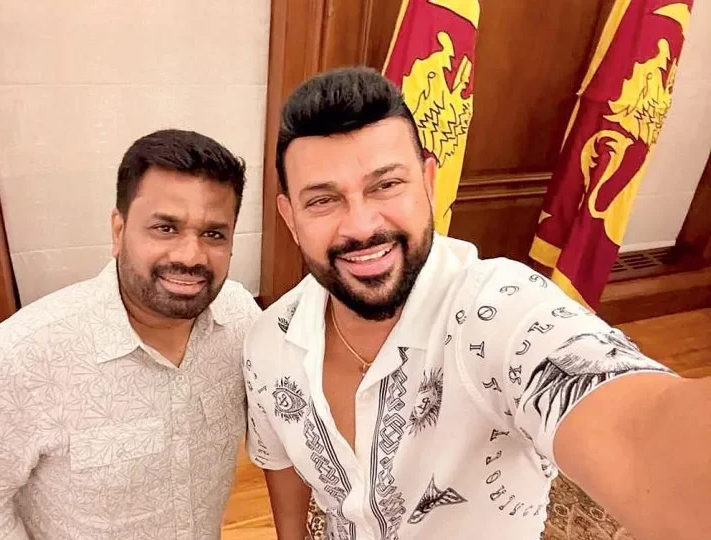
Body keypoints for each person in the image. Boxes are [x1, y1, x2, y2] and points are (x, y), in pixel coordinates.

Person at [243, 67, 710, 540]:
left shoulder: (500, 312)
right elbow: (280, 462)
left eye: (386, 185)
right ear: (291, 218)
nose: (361, 226)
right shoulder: (267, 342)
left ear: (428, 183)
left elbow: (640, 426)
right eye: (323, 200)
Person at [0, 129, 261, 540]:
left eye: (213, 234)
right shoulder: (22, 354)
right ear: (119, 231)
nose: (190, 255)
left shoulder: (241, 320)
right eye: (165, 228)